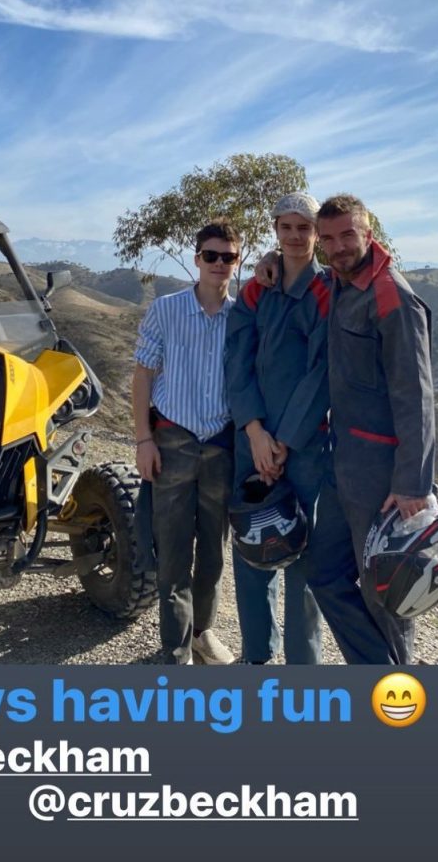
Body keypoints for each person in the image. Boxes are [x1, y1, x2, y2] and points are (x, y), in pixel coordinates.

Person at [257, 193, 435, 664]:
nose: (337, 247)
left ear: (368, 234)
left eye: (347, 235)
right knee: (325, 573)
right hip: (343, 463)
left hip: (384, 476)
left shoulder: (392, 296)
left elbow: (416, 396)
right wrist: (269, 260)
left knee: (385, 597)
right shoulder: (339, 280)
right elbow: (298, 267)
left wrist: (412, 483)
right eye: (329, 238)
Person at [225, 193, 392, 664]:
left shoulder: (326, 292)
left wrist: (284, 442)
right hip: (250, 440)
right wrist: (255, 432)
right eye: (287, 227)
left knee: (301, 554)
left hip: (303, 447)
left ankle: (303, 666)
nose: (295, 236)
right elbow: (236, 359)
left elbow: (322, 373)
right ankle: (256, 656)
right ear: (275, 230)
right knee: (252, 547)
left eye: (304, 228)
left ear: (316, 235)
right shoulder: (258, 288)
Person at [132, 221, 239, 665]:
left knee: (213, 552)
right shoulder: (166, 309)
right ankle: (174, 650)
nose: (218, 264)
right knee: (172, 554)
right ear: (197, 259)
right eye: (210, 255)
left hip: (222, 445)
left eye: (228, 257)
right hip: (172, 441)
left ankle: (202, 632)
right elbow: (142, 375)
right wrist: (143, 439)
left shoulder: (244, 315)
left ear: (237, 263)